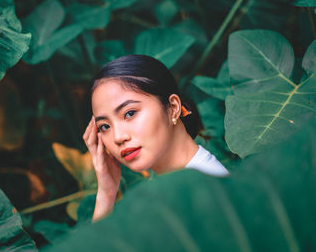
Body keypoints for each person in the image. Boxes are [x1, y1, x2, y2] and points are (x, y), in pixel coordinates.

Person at [83, 54, 229, 221]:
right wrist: (106, 194)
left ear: (173, 108)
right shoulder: (174, 192)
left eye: (130, 113)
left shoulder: (206, 191)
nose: (118, 137)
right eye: (105, 126)